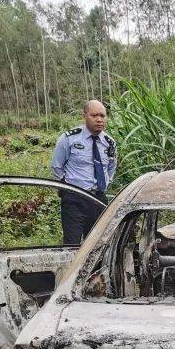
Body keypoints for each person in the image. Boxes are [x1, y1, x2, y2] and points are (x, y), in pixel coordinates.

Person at [50, 100, 118, 244]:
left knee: (96, 245)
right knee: (72, 243)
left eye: (102, 116)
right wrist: (67, 187)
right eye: (94, 115)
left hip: (98, 199)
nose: (99, 119)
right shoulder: (69, 139)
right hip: (75, 199)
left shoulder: (109, 142)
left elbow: (111, 167)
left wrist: (104, 184)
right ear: (85, 116)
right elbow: (57, 166)